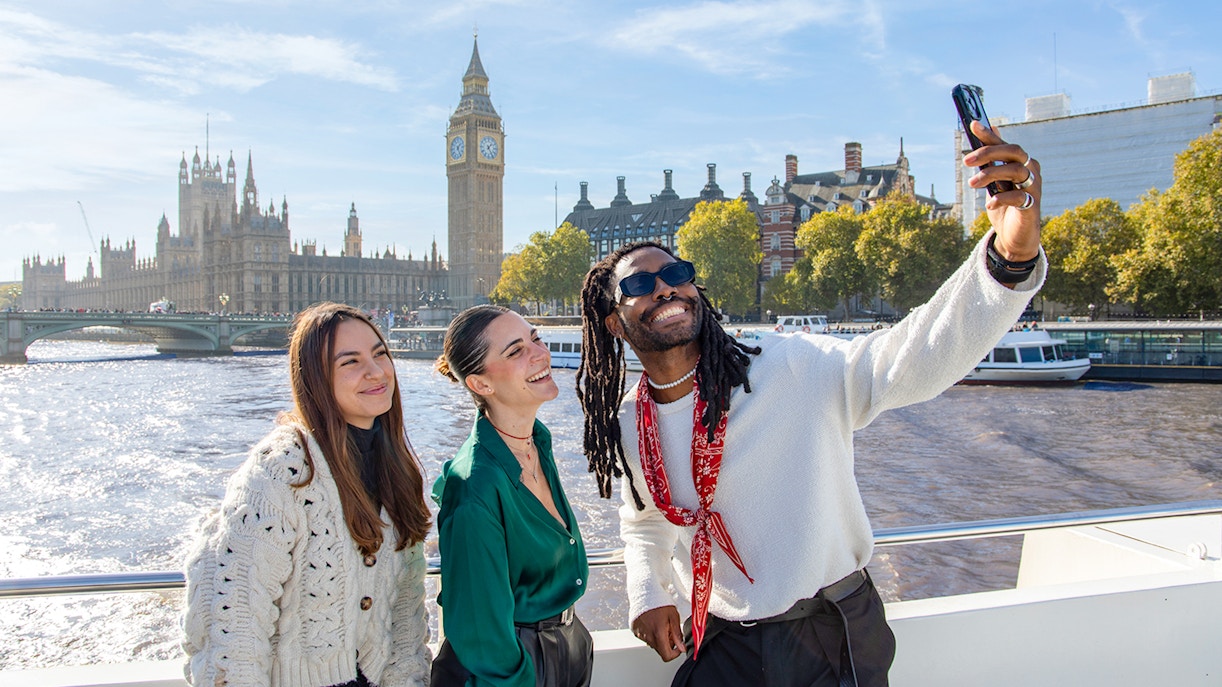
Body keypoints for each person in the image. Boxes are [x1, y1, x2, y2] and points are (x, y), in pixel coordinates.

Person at [574, 122, 1045, 687]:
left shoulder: (787, 366)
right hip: (722, 632)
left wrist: (1009, 257)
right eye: (640, 285)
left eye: (677, 274)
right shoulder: (632, 420)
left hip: (829, 630)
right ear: (612, 322)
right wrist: (648, 593)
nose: (666, 288)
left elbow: (909, 357)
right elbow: (645, 519)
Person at [182, 302, 433, 687]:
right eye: (350, 362)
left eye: (380, 353)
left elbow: (405, 621)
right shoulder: (284, 470)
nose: (376, 371)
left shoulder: (397, 471)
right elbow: (236, 628)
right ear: (315, 379)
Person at [431, 305, 593, 687]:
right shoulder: (476, 485)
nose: (540, 353)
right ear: (480, 384)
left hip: (565, 648)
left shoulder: (536, 441)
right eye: (515, 350)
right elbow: (483, 638)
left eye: (534, 338)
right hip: (516, 666)